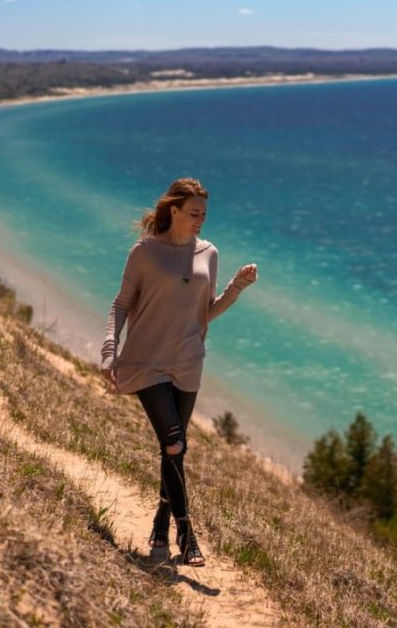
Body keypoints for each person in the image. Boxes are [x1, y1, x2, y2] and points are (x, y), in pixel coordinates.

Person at [100, 178, 257, 566]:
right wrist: (109, 350)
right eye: (193, 212)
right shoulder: (145, 253)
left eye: (204, 212)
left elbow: (205, 313)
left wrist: (237, 287)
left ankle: (159, 523)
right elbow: (120, 305)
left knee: (175, 449)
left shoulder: (209, 253)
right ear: (174, 211)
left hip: (189, 362)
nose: (200, 219)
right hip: (147, 361)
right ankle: (186, 533)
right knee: (173, 444)